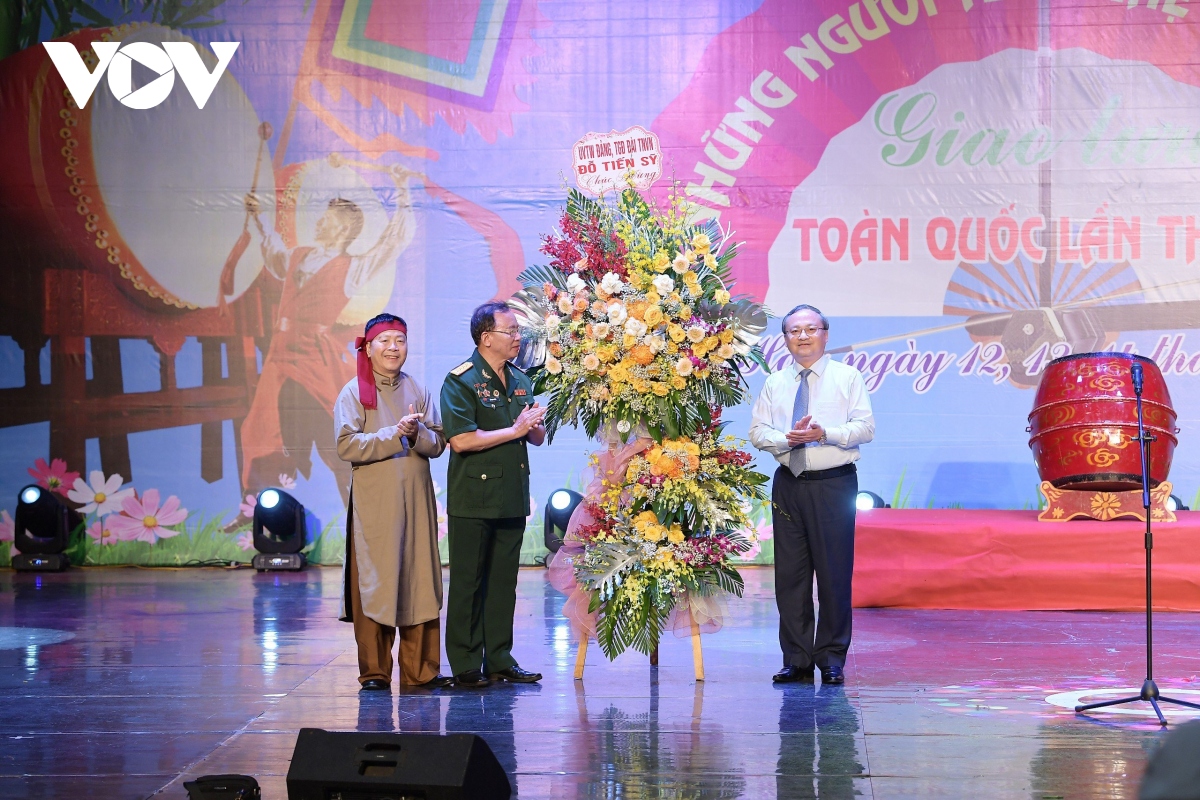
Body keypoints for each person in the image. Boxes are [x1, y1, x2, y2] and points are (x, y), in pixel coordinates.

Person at [240, 164, 417, 503]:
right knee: (260, 426)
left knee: (332, 430)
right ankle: (254, 504)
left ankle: (358, 502)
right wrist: (258, 217)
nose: (319, 222)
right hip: (280, 354)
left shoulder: (351, 267)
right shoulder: (299, 256)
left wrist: (402, 191)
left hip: (313, 358)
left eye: (327, 218)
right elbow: (273, 254)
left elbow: (393, 242)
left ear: (344, 228)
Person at [749, 304, 874, 685]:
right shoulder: (775, 382)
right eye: (794, 331)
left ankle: (832, 657)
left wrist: (824, 434)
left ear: (825, 334)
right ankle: (796, 658)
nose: (802, 336)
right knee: (791, 576)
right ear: (785, 339)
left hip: (833, 483)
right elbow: (758, 432)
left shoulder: (847, 377)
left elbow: (865, 428)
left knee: (834, 573)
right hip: (789, 482)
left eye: (810, 329)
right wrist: (785, 439)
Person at [334, 312, 452, 690]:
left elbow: (438, 442)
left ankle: (421, 671)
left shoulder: (416, 389)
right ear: (368, 348)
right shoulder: (354, 392)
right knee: (376, 581)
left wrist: (416, 434)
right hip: (376, 506)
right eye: (384, 341)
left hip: (415, 503)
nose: (393, 348)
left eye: (399, 341)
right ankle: (374, 672)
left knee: (419, 580)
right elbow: (346, 445)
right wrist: (394, 433)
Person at [439, 301, 547, 688]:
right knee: (468, 582)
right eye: (511, 331)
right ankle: (466, 662)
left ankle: (499, 657)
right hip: (474, 497)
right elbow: (461, 440)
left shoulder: (520, 378)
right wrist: (515, 430)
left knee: (503, 583)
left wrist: (534, 425)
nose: (518, 337)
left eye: (519, 331)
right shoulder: (461, 380)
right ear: (486, 338)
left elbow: (535, 437)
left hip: (511, 494)